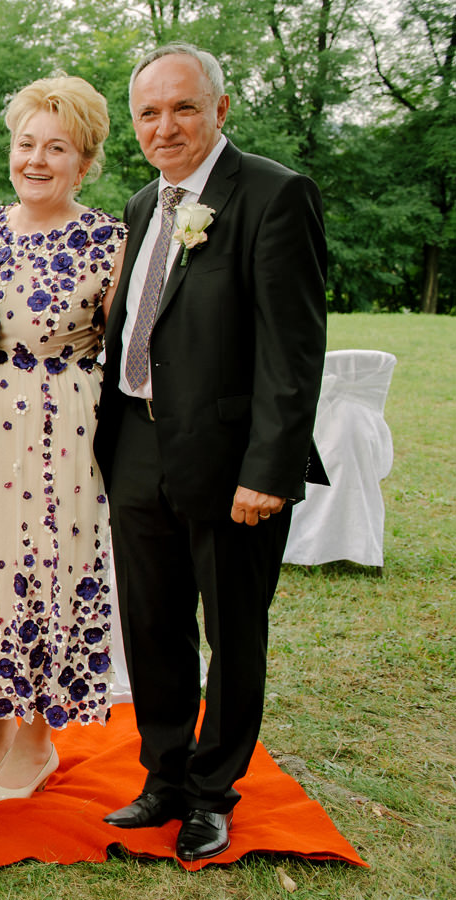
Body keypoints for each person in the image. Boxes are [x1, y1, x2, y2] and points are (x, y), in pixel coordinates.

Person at [93, 43, 327, 861]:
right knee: (151, 623)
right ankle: (162, 776)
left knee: (232, 631)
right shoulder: (140, 204)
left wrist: (269, 471)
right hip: (135, 445)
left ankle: (211, 792)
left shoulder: (273, 194)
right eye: (149, 112)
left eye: (184, 107)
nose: (166, 126)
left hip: (231, 462)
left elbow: (293, 352)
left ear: (220, 109)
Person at [0, 75, 126, 803]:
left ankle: (37, 744)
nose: (37, 160)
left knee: (48, 569)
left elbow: (129, 347)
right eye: (26, 144)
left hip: (61, 422)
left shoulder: (107, 239)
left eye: (57, 148)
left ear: (85, 162)